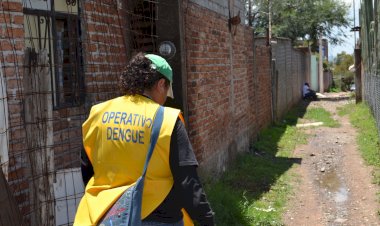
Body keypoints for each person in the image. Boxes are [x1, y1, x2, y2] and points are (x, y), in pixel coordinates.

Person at [74, 52, 215, 226]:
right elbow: (187, 180)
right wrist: (206, 218)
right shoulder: (167, 120)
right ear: (161, 84)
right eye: (166, 92)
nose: (164, 100)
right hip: (159, 217)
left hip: (106, 217)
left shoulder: (98, 113)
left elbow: (87, 168)